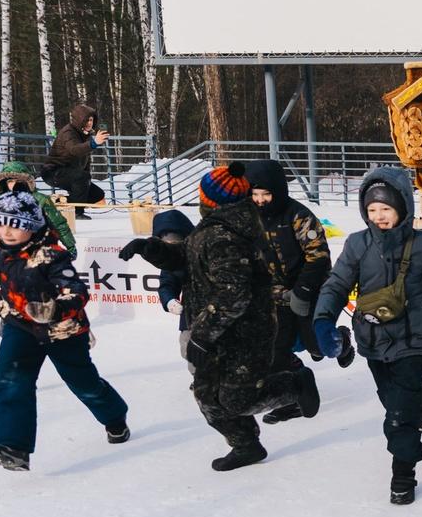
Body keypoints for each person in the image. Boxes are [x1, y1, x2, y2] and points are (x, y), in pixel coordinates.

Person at [119, 163, 319, 471]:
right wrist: (152, 248)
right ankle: (246, 445)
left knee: (238, 398)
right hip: (218, 328)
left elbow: (234, 295)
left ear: (208, 200)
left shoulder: (227, 234)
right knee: (207, 395)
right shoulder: (213, 228)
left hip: (245, 332)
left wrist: (201, 335)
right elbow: (187, 254)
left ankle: (295, 386)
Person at [312, 167, 422, 505]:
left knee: (398, 416)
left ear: (402, 207)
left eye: (385, 209)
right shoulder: (358, 244)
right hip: (372, 340)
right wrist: (324, 317)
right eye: (372, 210)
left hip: (414, 341)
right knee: (394, 402)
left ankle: (403, 474)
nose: (379, 216)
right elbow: (337, 284)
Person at [0, 192, 129, 471]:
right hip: (19, 326)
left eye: (17, 224)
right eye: (1, 223)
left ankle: (115, 417)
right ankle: (14, 447)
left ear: (33, 226)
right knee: (8, 378)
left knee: (83, 382)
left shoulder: (50, 255)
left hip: (63, 331)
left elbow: (77, 292)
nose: (7, 231)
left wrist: (54, 310)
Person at [244, 159, 352, 425]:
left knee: (317, 344)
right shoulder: (247, 217)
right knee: (275, 351)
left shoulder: (298, 215)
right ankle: (293, 396)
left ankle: (342, 341)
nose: (260, 200)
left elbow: (318, 256)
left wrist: (303, 291)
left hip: (307, 288)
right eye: (255, 194)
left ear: (278, 191)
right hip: (273, 296)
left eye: (266, 194)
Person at [0, 161, 76, 258]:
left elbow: (58, 223)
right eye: (10, 181)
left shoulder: (40, 199)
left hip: (36, 248)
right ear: (3, 183)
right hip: (5, 251)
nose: (13, 184)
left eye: (17, 181)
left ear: (25, 182)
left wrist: (70, 246)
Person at [40, 103, 109, 219]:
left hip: (71, 173)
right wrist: (94, 143)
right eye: (86, 120)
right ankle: (77, 213)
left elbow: (85, 160)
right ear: (79, 121)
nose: (89, 123)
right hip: (53, 171)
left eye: (91, 120)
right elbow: (74, 150)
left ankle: (59, 202)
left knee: (97, 194)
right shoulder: (68, 132)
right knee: (82, 177)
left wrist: (87, 179)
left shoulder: (84, 134)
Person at [150, 209, 194, 363]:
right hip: (191, 315)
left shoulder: (203, 249)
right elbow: (167, 283)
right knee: (188, 349)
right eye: (166, 244)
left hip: (216, 313)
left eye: (175, 243)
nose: (172, 249)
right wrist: (169, 300)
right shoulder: (170, 260)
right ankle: (200, 381)